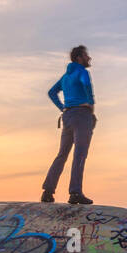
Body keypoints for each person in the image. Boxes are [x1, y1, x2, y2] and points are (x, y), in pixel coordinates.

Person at [41, 45, 96, 204]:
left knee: (62, 155)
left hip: (68, 116)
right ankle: (75, 192)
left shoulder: (65, 77)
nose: (89, 58)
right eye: (86, 55)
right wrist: (91, 104)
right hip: (82, 114)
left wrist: (62, 107)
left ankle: (48, 191)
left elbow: (52, 92)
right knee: (80, 154)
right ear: (79, 57)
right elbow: (86, 84)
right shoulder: (82, 72)